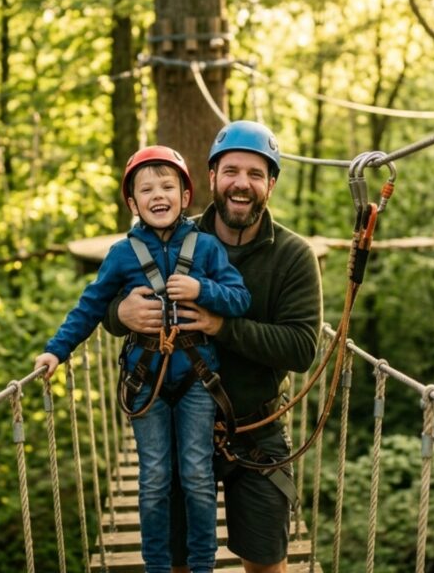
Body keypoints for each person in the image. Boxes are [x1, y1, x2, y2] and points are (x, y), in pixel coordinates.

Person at [105, 121, 322, 573]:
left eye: (256, 174)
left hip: (256, 431)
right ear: (210, 179)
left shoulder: (292, 256)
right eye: (231, 171)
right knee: (179, 562)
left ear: (271, 184)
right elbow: (107, 298)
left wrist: (222, 325)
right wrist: (118, 315)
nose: (242, 183)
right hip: (176, 423)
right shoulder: (172, 235)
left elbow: (303, 349)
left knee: (266, 563)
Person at [35, 145, 251, 573]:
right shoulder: (121, 254)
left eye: (168, 186)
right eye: (146, 188)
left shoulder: (206, 248)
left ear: (185, 196)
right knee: (154, 479)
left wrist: (201, 291)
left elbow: (240, 298)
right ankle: (157, 567)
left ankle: (202, 567)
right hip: (144, 382)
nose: (158, 194)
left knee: (196, 477)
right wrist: (56, 350)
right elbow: (91, 307)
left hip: (197, 379)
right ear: (133, 203)